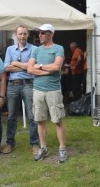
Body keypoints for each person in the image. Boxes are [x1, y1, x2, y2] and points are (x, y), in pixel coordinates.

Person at [27, 23, 67, 163]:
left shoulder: (58, 48)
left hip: (53, 90)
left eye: (43, 33)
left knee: (57, 120)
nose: (40, 35)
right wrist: (47, 70)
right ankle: (43, 148)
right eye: (39, 33)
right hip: (38, 90)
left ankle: (62, 149)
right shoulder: (36, 50)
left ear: (51, 34)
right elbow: (30, 69)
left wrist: (41, 66)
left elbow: (57, 67)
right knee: (40, 120)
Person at [3, 25, 39, 155]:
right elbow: (6, 67)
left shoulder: (34, 49)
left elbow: (34, 67)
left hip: (28, 84)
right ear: (16, 35)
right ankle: (10, 143)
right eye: (20, 34)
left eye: (24, 34)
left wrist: (16, 63)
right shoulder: (10, 49)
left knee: (32, 115)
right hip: (13, 85)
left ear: (27, 35)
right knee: (11, 116)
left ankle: (35, 143)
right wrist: (26, 67)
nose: (22, 36)